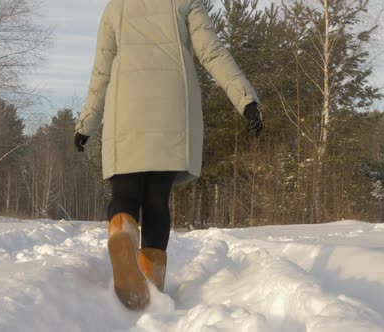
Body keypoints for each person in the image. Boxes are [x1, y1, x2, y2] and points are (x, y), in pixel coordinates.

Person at [73, 0, 262, 310]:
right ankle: (150, 281)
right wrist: (246, 101)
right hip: (172, 110)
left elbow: (101, 72)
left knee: (125, 192)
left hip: (126, 109)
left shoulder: (116, 7)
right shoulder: (186, 3)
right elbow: (212, 52)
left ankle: (121, 232)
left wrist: (87, 124)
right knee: (156, 200)